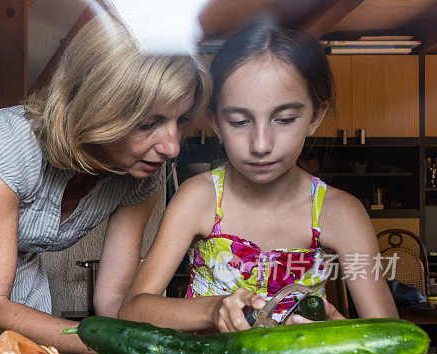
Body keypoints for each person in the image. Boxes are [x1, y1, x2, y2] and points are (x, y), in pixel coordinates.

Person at [0, 16, 212, 354]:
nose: (173, 146)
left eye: (180, 121)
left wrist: (166, 352)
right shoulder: (10, 141)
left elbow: (113, 301)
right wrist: (121, 346)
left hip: (20, 281)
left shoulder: (143, 171)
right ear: (97, 108)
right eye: (148, 123)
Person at [119, 22, 397, 332]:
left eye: (285, 119)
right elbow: (133, 309)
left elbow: (389, 338)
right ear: (215, 122)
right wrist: (212, 309)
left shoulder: (341, 212)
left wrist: (337, 327)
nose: (261, 145)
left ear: (315, 117)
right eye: (239, 122)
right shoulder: (199, 197)